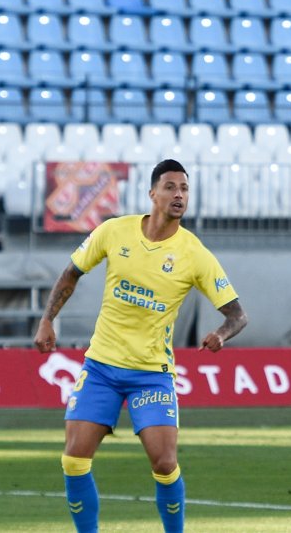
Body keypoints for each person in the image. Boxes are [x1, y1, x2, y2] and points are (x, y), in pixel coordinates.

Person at [32, 160, 249, 533]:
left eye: (184, 188)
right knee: (73, 460)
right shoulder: (114, 231)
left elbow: (238, 315)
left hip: (151, 374)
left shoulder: (194, 253)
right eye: (170, 187)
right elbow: (72, 272)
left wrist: (221, 335)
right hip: (101, 367)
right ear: (152, 194)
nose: (178, 194)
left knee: (164, 464)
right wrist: (47, 319)